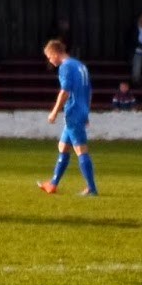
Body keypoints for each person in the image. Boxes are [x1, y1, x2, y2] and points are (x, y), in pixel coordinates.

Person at [37, 39, 97, 196]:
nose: (50, 61)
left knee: (80, 150)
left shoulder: (65, 67)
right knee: (62, 147)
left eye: (50, 57)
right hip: (80, 111)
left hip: (73, 112)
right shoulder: (80, 65)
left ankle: (91, 188)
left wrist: (54, 112)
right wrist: (86, 112)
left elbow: (65, 92)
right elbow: (88, 91)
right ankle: (53, 184)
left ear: (55, 53)